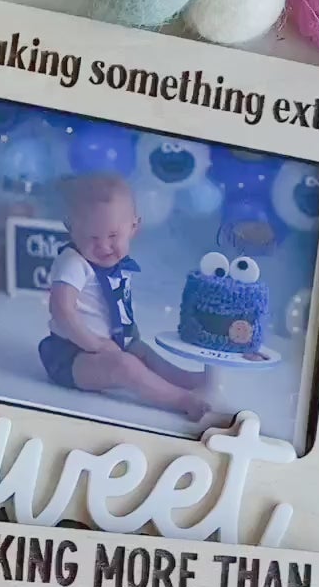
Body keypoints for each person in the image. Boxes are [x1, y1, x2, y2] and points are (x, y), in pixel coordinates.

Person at [39, 171, 211, 423]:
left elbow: (115, 306)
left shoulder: (119, 264)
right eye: (92, 237)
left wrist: (128, 340)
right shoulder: (74, 263)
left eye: (112, 236)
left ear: (134, 228)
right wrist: (94, 344)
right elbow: (61, 310)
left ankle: (184, 379)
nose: (104, 246)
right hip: (73, 354)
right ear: (72, 230)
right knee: (124, 367)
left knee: (142, 352)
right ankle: (180, 399)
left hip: (115, 342)